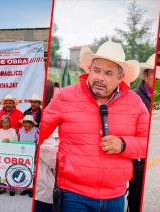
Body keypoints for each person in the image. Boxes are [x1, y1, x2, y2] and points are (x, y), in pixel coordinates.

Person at [40, 41, 149, 211]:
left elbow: (147, 143)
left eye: (108, 73)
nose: (100, 77)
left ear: (120, 77)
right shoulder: (65, 96)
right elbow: (39, 132)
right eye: (96, 70)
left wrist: (123, 144)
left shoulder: (135, 103)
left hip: (115, 196)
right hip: (72, 194)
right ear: (89, 70)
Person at [129, 53, 156, 212]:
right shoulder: (133, 97)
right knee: (136, 201)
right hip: (139, 161)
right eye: (154, 72)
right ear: (145, 75)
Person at [34, 80, 59, 212]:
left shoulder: (59, 122)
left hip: (57, 191)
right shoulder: (42, 124)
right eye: (54, 98)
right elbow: (55, 158)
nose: (59, 102)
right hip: (44, 193)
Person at [0, 116, 18, 196]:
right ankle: (2, 187)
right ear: (1, 123)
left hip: (11, 154)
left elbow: (16, 142)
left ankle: (12, 188)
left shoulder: (13, 131)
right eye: (4, 122)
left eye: (7, 122)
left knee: (11, 170)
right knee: (2, 170)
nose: (6, 124)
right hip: (1, 155)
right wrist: (3, 141)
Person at [18, 115, 38, 198]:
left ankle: (32, 189)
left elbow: (39, 144)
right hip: (23, 155)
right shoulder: (20, 131)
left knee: (33, 172)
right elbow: (18, 142)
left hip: (33, 155)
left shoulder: (36, 132)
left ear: (31, 124)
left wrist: (36, 156)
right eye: (24, 123)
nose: (25, 125)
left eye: (27, 123)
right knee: (24, 171)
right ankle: (26, 188)